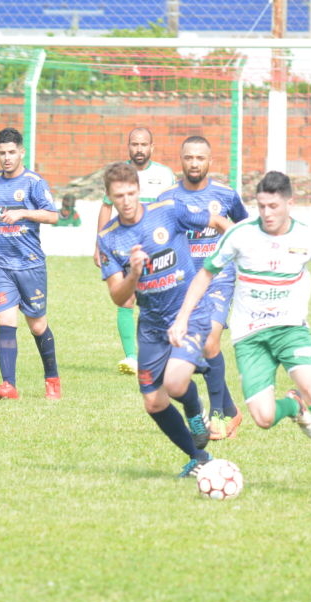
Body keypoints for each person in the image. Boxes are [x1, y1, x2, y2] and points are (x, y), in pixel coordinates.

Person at [169, 171, 311, 498]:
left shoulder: (308, 237)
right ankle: (293, 406)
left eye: (273, 206)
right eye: (261, 206)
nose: (267, 213)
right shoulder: (240, 235)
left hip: (291, 330)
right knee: (263, 417)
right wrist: (183, 317)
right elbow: (205, 274)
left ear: (290, 203)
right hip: (250, 337)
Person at [97, 161, 241, 478]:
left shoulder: (168, 210)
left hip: (190, 312)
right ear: (109, 197)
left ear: (139, 189)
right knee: (154, 402)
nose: (126, 201)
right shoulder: (109, 239)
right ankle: (199, 456)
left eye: (131, 192)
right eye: (118, 195)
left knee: (176, 383)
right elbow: (118, 297)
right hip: (151, 324)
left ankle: (195, 412)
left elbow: (216, 221)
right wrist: (134, 272)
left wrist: (238, 250)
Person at [160, 135, 249, 441]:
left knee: (211, 339)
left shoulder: (225, 195)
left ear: (210, 162)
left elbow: (243, 229)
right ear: (180, 160)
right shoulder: (168, 197)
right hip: (182, 282)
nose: (194, 163)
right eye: (189, 158)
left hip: (219, 279)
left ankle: (218, 417)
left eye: (200, 158)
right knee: (187, 354)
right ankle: (232, 410)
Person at [0, 127, 61, 400]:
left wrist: (23, 212)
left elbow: (53, 216)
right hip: (1, 262)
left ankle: (52, 378)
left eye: (11, 152)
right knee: (5, 321)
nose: (6, 158)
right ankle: (8, 385)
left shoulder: (34, 182)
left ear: (21, 152)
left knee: (37, 326)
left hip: (30, 264)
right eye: (2, 153)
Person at [94, 127, 177, 375]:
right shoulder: (120, 175)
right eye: (134, 144)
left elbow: (172, 207)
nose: (138, 149)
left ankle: (168, 353)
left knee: (161, 298)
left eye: (143, 144)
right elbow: (106, 208)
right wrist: (99, 245)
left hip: (159, 246)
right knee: (126, 298)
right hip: (125, 247)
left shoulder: (164, 175)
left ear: (152, 147)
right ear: (128, 146)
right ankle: (131, 356)